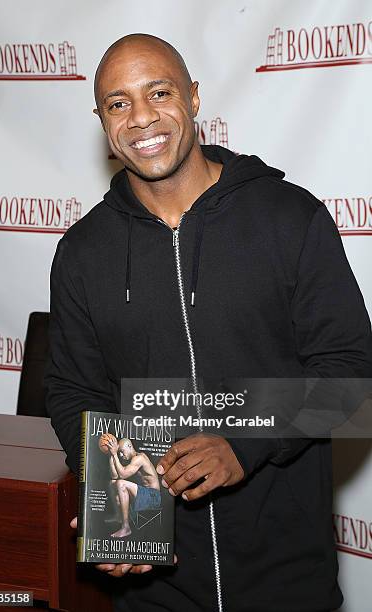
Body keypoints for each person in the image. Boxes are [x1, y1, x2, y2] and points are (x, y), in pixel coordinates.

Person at [44, 33, 372, 612]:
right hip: (155, 589)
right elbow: (76, 391)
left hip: (287, 579)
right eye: (118, 103)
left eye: (159, 92)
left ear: (194, 98)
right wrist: (117, 508)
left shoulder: (290, 218)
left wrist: (245, 443)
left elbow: (351, 375)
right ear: (102, 121)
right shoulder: (82, 251)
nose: (142, 117)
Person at [106, 437, 162, 537]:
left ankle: (126, 527)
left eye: (122, 452)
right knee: (113, 482)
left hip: (154, 497)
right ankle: (120, 517)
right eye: (119, 453)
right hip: (144, 495)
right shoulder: (132, 459)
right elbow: (114, 476)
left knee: (121, 483)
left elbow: (122, 475)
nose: (121, 455)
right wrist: (111, 455)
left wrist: (114, 454)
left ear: (129, 446)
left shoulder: (139, 458)